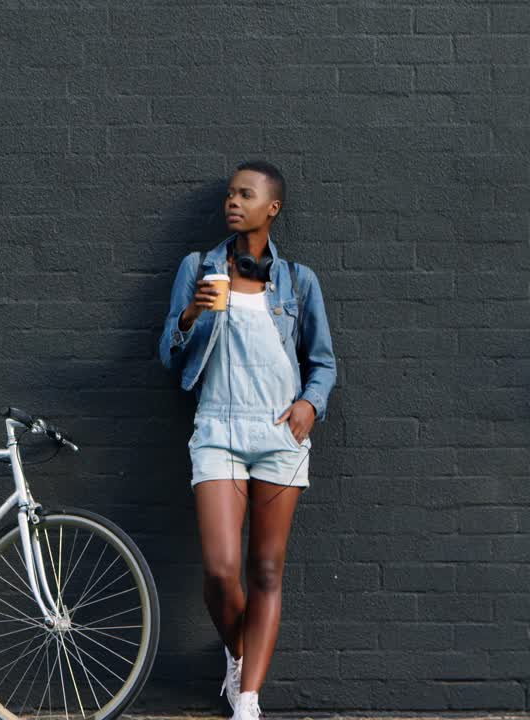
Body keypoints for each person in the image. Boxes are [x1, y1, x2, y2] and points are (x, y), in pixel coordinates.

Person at [158, 161, 337, 720]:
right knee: (220, 569)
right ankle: (238, 653)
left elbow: (323, 363)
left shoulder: (299, 281)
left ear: (272, 208)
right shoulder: (199, 267)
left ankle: (249, 699)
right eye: (230, 193)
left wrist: (310, 403)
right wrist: (190, 314)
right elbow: (168, 353)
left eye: (246, 194)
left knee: (265, 571)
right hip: (218, 429)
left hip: (279, 435)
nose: (233, 202)